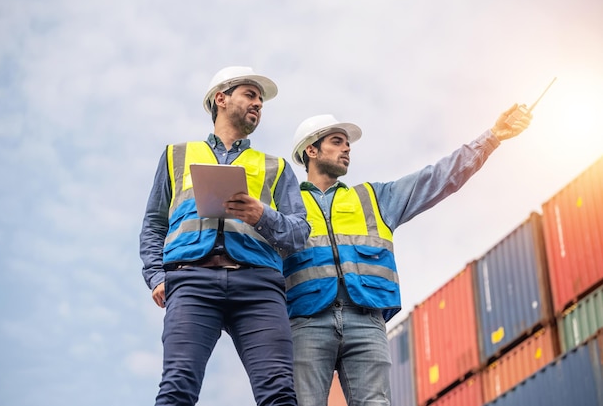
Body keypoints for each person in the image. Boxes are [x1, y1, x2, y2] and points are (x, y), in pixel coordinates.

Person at [284, 106, 532, 406]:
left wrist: (492, 138)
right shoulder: (285, 206)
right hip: (307, 320)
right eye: (337, 141)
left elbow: (437, 178)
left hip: (367, 320)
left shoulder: (374, 198)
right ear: (311, 150)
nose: (347, 147)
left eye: (347, 143)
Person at [139, 66, 310, 406]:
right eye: (250, 95)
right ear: (221, 99)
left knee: (279, 393)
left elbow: (300, 233)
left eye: (261, 101)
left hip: (259, 287)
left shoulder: (275, 167)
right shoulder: (177, 155)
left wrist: (263, 215)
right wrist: (156, 276)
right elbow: (154, 224)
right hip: (191, 282)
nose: (258, 104)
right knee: (177, 388)